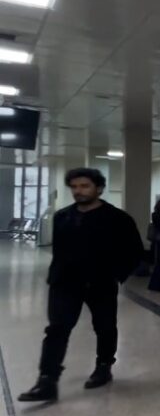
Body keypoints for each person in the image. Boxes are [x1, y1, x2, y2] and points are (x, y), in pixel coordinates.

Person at [18, 168, 144, 402]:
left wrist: (117, 275)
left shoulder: (117, 218)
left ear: (99, 188)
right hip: (64, 283)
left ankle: (104, 366)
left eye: (85, 186)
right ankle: (47, 380)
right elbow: (59, 251)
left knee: (105, 326)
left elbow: (134, 251)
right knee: (57, 329)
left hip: (100, 283)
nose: (79, 191)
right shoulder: (62, 216)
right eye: (74, 187)